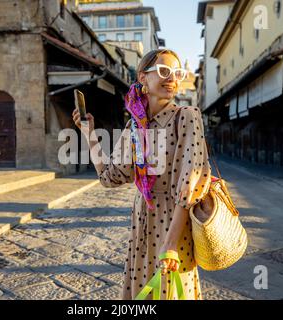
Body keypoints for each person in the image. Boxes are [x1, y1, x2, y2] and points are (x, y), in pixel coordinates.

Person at [72, 49, 213, 300]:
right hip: (142, 223)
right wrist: (88, 133)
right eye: (163, 71)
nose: (171, 78)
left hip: (174, 224)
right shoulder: (135, 126)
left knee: (172, 293)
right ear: (143, 78)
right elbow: (109, 177)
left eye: (176, 73)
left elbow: (190, 183)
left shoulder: (187, 117)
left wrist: (170, 244)